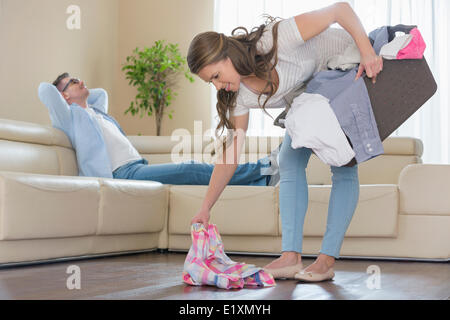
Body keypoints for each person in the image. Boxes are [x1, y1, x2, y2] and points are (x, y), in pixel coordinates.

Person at [187, 2, 383, 282]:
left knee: (342, 163)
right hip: (311, 96)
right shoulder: (238, 95)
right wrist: (205, 206)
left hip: (345, 69)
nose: (217, 86)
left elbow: (340, 9)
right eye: (211, 82)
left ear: (228, 55)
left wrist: (367, 51)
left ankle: (326, 260)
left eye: (216, 76)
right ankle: (291, 257)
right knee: (288, 160)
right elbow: (231, 153)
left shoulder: (277, 39)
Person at [38, 73, 279, 186]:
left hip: (137, 167)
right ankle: (265, 167)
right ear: (64, 96)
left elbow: (101, 94)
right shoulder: (71, 117)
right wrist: (63, 94)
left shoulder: (95, 111)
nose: (81, 81)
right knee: (190, 168)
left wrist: (75, 92)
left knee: (191, 171)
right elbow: (44, 91)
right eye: (73, 82)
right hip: (121, 175)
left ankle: (262, 182)